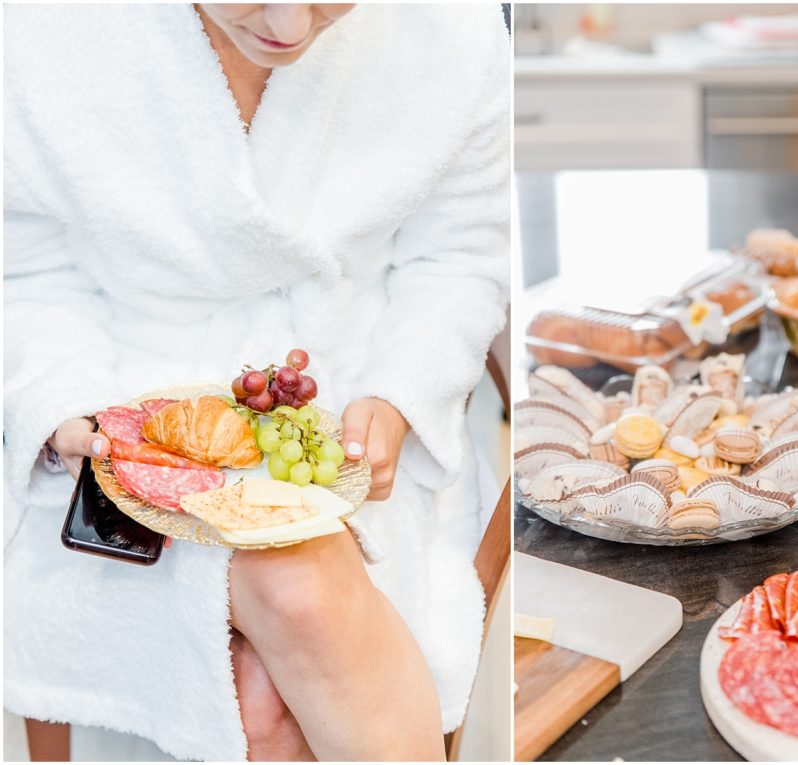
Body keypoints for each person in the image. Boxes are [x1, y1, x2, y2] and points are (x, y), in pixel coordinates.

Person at [4, 4, 509, 760]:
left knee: (274, 672)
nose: (290, 24)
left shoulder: (451, 31)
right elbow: (25, 268)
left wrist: (403, 392)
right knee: (284, 638)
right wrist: (59, 400)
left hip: (343, 394)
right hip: (120, 407)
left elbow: (460, 259)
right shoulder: (41, 28)